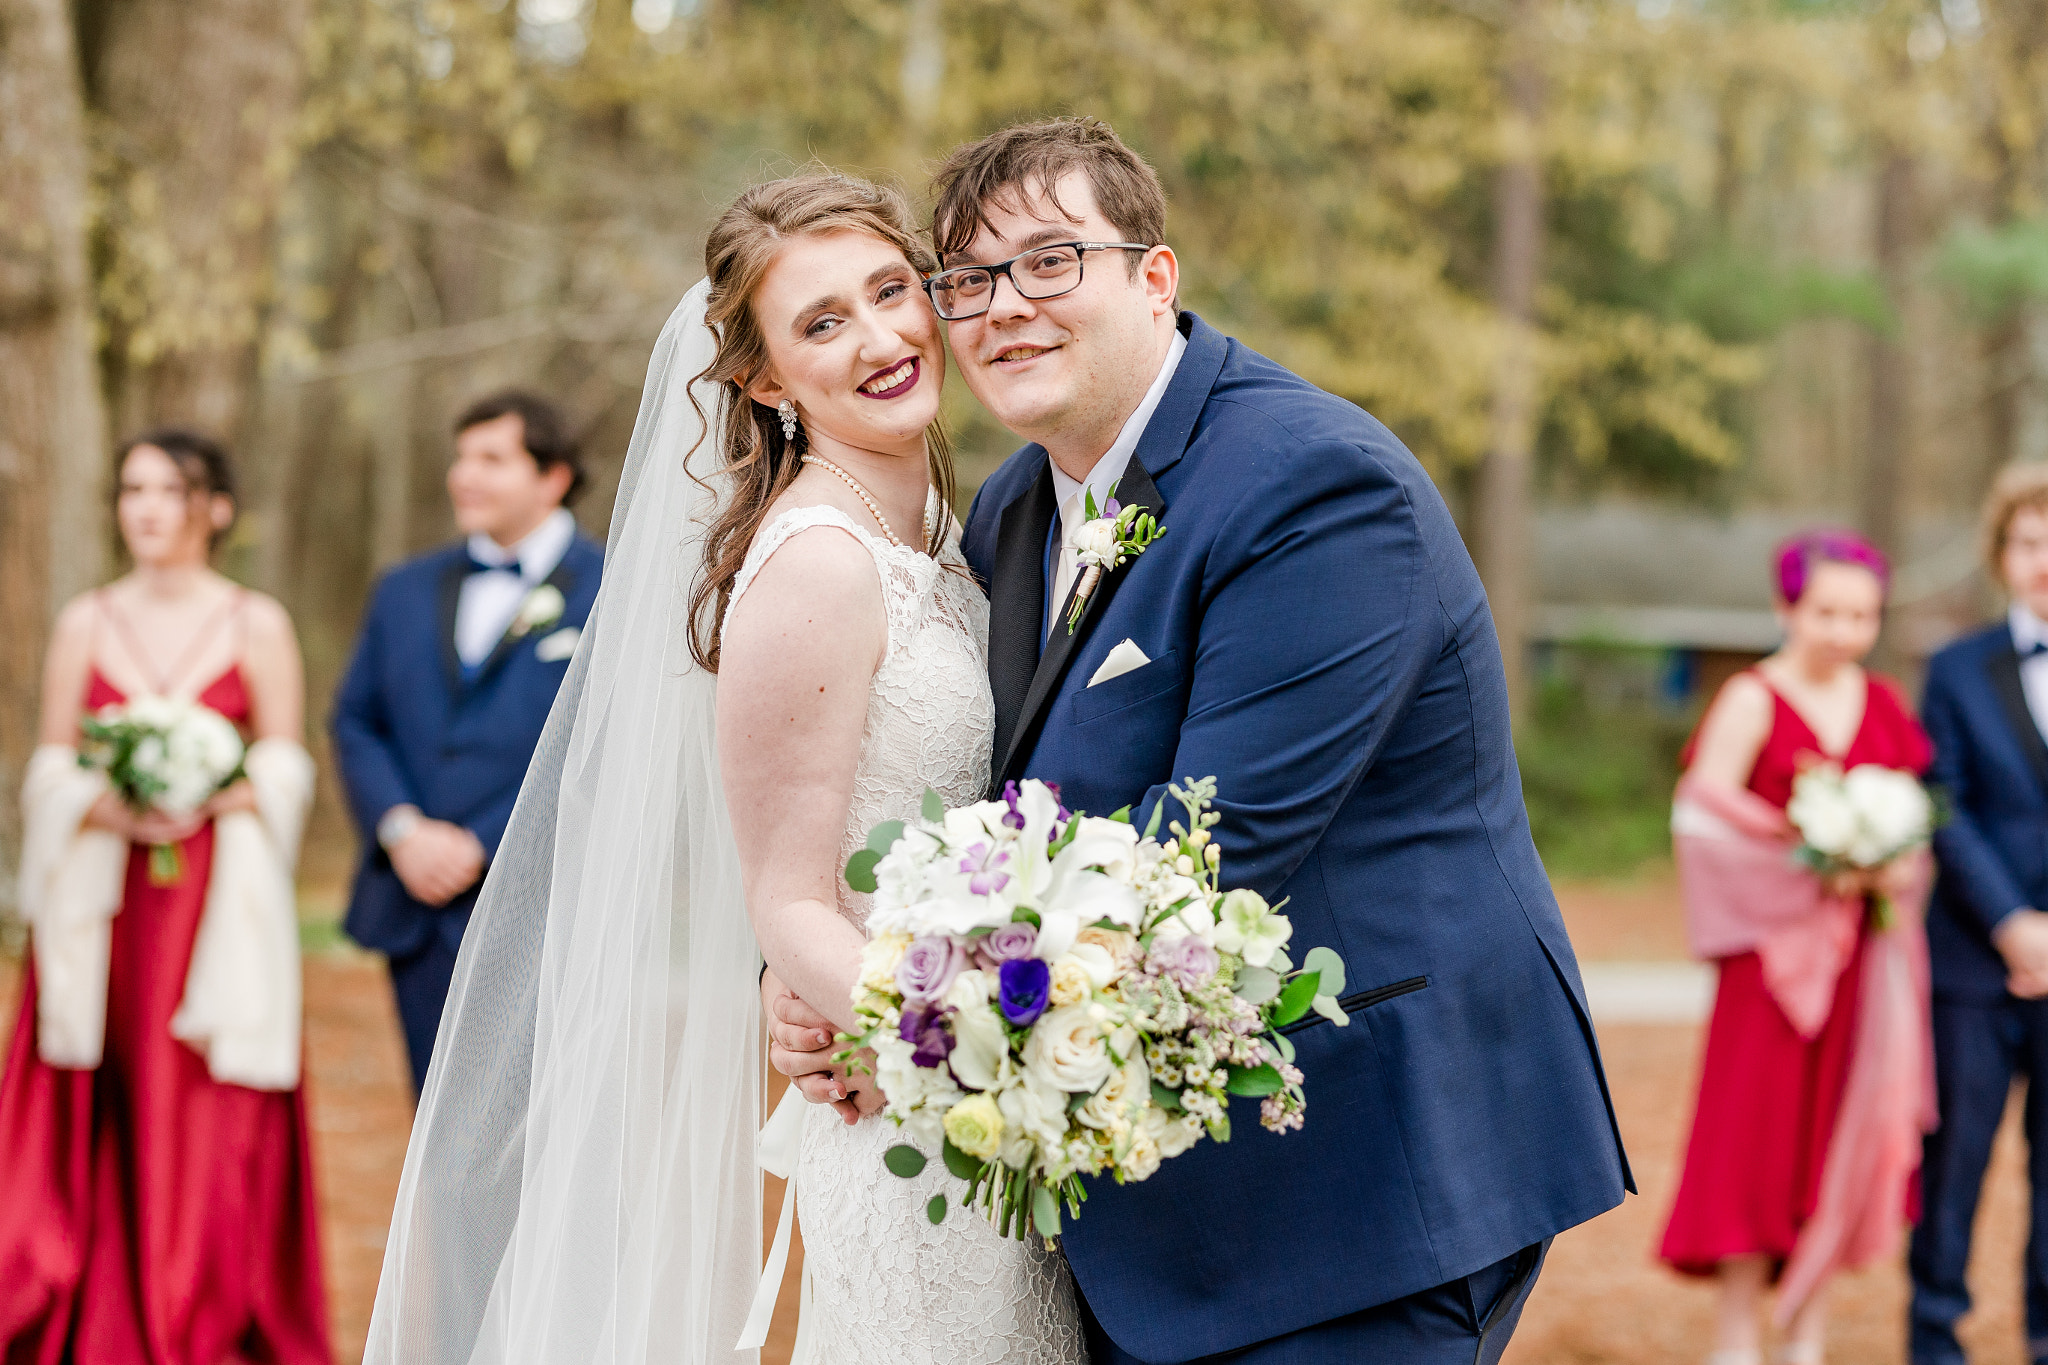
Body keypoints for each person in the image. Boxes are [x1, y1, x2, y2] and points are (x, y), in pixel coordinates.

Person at [762, 115, 1632, 1364]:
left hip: (1355, 1188)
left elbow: (1195, 867)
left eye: (1050, 262)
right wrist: (825, 983)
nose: (1003, 308)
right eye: (966, 282)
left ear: (1152, 275)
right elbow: (955, 800)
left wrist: (910, 1024)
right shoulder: (1015, 510)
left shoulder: (1317, 486)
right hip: (1134, 1195)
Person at [362, 173, 1082, 1364]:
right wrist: (973, 1048)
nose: (882, 338)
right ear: (760, 379)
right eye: (821, 323)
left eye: (891, 292)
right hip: (925, 1105)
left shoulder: (958, 538)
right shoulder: (815, 565)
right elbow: (786, 898)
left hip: (992, 1104)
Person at [0, 431, 329, 1363]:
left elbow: (283, 757)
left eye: (169, 489)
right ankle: (89, 1307)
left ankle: (197, 1306)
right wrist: (107, 801)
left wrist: (214, 791)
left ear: (215, 508)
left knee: (199, 1099)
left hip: (209, 907)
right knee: (103, 1083)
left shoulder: (253, 622)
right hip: (109, 909)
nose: (145, 507)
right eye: (131, 489)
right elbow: (51, 760)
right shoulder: (87, 620)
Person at [1659, 530, 1935, 1365]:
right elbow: (1704, 818)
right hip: (1769, 966)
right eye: (1826, 611)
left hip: (1861, 964)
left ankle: (1806, 1331)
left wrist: (1883, 865)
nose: (1844, 630)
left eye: (1861, 615)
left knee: (1832, 1135)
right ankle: (1738, 1339)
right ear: (1785, 609)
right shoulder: (1750, 697)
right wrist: (1808, 856)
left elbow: (1916, 820)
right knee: (1755, 1137)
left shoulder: (1884, 701)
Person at [331, 390, 601, 1093]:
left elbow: (601, 745)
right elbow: (356, 719)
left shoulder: (613, 590)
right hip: (419, 911)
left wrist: (484, 842)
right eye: (460, 457)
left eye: (491, 458)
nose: (463, 475)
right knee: (437, 1134)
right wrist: (403, 830)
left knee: (546, 1137)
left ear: (554, 476)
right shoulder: (402, 588)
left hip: (549, 911)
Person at [1911, 464, 2048, 1365]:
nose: (2046, 563)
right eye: (2031, 543)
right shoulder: (1957, 669)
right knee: (1955, 1163)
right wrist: (2013, 921)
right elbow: (1940, 800)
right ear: (2001, 554)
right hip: (1971, 961)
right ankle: (1934, 1338)